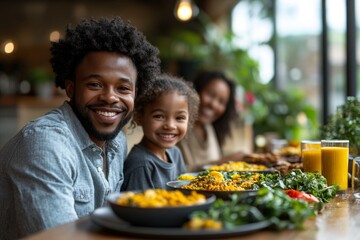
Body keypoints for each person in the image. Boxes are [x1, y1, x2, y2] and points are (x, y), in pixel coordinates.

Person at [0, 17, 161, 239]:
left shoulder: (117, 142)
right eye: (95, 85)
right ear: (70, 88)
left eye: (123, 88)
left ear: (135, 95)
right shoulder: (45, 145)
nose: (109, 97)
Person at [121, 74, 199, 190]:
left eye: (179, 118)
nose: (170, 126)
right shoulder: (141, 164)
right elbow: (139, 207)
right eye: (159, 116)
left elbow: (184, 193)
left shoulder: (175, 153)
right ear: (139, 117)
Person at [177, 70, 244, 172]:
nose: (213, 104)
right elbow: (174, 173)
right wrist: (223, 162)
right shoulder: (177, 127)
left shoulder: (209, 127)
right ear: (196, 91)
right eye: (210, 94)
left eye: (221, 102)